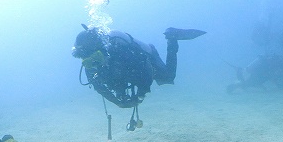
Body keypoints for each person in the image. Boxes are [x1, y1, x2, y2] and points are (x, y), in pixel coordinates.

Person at [72, 25, 206, 114]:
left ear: (101, 49)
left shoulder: (120, 50)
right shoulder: (89, 61)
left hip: (146, 59)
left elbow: (146, 72)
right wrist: (118, 102)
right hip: (123, 72)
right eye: (88, 61)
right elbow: (98, 86)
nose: (94, 63)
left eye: (96, 57)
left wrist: (140, 96)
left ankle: (172, 38)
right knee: (115, 82)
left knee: (168, 77)